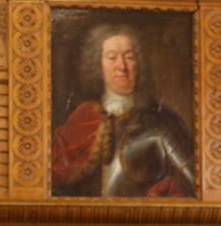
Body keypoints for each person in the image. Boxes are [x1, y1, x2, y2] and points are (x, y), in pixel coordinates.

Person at [51, 24, 194, 197]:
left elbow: (190, 187)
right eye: (112, 58)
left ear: (138, 64)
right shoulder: (82, 119)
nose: (122, 66)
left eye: (129, 57)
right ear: (97, 65)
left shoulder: (163, 120)